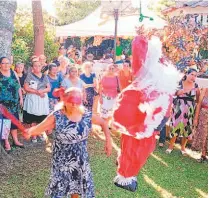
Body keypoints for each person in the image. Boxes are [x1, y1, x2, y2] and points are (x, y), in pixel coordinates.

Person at [112, 35, 180, 191]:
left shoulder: (156, 72)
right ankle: (125, 176)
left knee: (140, 148)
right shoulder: (146, 76)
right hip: (141, 121)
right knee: (135, 147)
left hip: (150, 120)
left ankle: (126, 173)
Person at [23, 87, 112, 198]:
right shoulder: (57, 116)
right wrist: (30, 132)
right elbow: (39, 128)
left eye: (77, 102)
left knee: (77, 188)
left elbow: (103, 123)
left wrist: (108, 141)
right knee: (59, 191)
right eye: (71, 101)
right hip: (62, 161)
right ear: (64, 100)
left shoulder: (86, 115)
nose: (74, 105)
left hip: (81, 160)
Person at [166, 68, 200, 155]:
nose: (193, 77)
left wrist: (191, 106)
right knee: (175, 126)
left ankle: (183, 147)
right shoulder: (179, 83)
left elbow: (198, 99)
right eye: (192, 74)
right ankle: (171, 146)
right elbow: (172, 93)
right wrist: (179, 92)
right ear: (187, 74)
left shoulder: (196, 86)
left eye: (195, 75)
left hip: (189, 109)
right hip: (178, 107)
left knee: (187, 128)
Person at [0, 57, 24, 151]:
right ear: (0, 64)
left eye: (8, 63)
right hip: (3, 105)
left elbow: (18, 86)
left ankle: (15, 140)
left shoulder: (13, 72)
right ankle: (6, 142)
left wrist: (21, 97)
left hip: (14, 103)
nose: (6, 65)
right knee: (5, 123)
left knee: (14, 122)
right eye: (3, 63)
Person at [23, 60, 51, 143]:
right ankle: (34, 135)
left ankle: (38, 133)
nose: (37, 67)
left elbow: (48, 88)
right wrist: (37, 92)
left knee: (41, 116)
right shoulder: (30, 76)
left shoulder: (45, 76)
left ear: (41, 67)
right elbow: (26, 87)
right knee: (33, 116)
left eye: (39, 66)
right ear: (32, 67)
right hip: (33, 97)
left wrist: (42, 92)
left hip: (42, 98)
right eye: (35, 66)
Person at [191, 88, 208, 162]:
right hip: (203, 116)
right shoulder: (205, 89)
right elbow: (199, 104)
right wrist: (196, 118)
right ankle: (203, 155)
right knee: (204, 135)